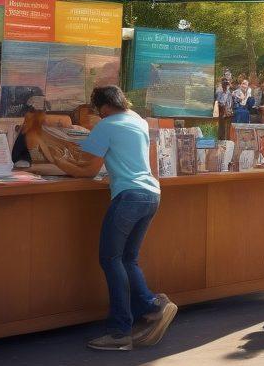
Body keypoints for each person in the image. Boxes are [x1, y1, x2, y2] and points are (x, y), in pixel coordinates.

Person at [52, 86, 176, 351]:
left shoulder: (106, 125)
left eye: (97, 111)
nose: (97, 115)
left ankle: (121, 331)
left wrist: (59, 163)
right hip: (151, 195)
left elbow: (88, 170)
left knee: (110, 259)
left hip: (129, 197)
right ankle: (151, 307)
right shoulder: (138, 121)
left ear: (103, 108)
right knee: (127, 258)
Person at [215, 74, 234, 140]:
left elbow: (230, 103)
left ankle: (226, 138)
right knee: (221, 122)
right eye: (224, 84)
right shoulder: (218, 92)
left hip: (227, 111)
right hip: (221, 110)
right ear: (222, 84)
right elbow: (217, 102)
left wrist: (228, 109)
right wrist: (224, 107)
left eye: (226, 84)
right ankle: (221, 137)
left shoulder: (229, 93)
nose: (225, 86)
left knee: (228, 116)